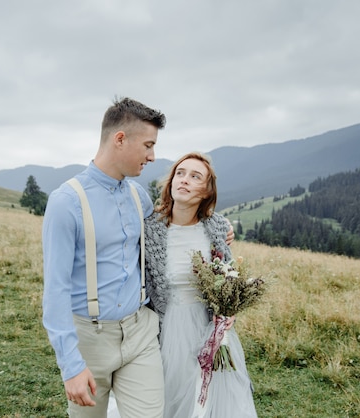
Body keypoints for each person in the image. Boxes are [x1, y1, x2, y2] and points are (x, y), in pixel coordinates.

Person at [42, 97, 167, 418]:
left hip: (140, 333)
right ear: (120, 139)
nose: (152, 156)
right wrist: (70, 366)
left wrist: (215, 230)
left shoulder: (140, 195)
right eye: (148, 145)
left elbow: (165, 240)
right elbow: (55, 290)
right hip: (89, 340)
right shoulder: (65, 202)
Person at [144, 152, 258, 417]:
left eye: (195, 177)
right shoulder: (149, 227)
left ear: (207, 191)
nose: (184, 180)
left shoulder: (217, 227)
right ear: (171, 182)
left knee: (213, 402)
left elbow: (227, 278)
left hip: (209, 327)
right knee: (170, 398)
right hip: (166, 327)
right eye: (180, 173)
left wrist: (229, 314)